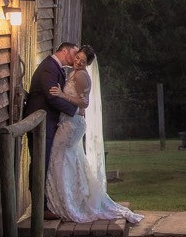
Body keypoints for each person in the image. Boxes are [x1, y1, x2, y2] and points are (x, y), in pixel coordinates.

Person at [45, 45, 143, 224]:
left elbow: (84, 103)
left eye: (83, 61)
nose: (78, 62)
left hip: (72, 125)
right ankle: (72, 198)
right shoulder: (74, 72)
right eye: (77, 58)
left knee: (59, 158)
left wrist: (61, 94)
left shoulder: (82, 75)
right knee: (70, 161)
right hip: (70, 122)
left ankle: (66, 201)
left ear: (87, 63)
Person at [23, 42, 81, 220]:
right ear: (64, 51)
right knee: (40, 163)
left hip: (48, 123)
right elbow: (51, 97)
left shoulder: (58, 68)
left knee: (46, 163)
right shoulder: (49, 67)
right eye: (74, 53)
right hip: (41, 124)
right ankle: (40, 208)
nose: (76, 57)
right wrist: (74, 110)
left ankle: (45, 205)